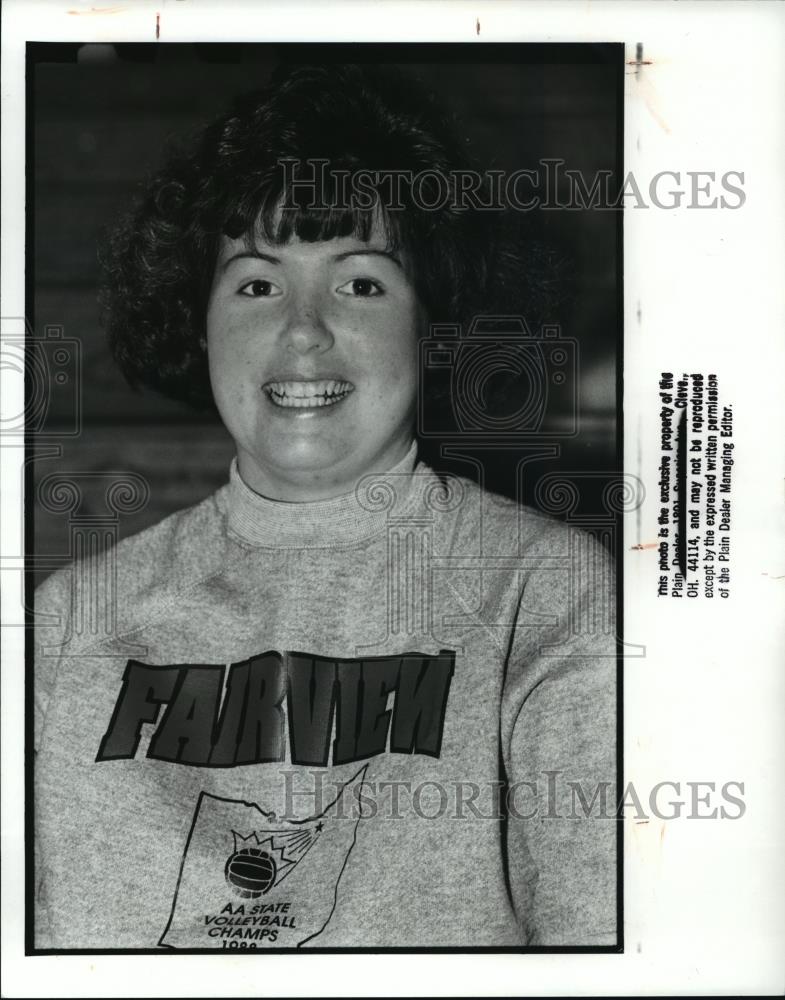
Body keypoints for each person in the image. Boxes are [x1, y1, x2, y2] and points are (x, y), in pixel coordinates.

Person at [34, 62, 617, 949]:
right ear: (198, 322)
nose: (302, 332)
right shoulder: (67, 621)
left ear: (434, 322)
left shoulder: (541, 590)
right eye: (257, 285)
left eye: (360, 283)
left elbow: (597, 940)